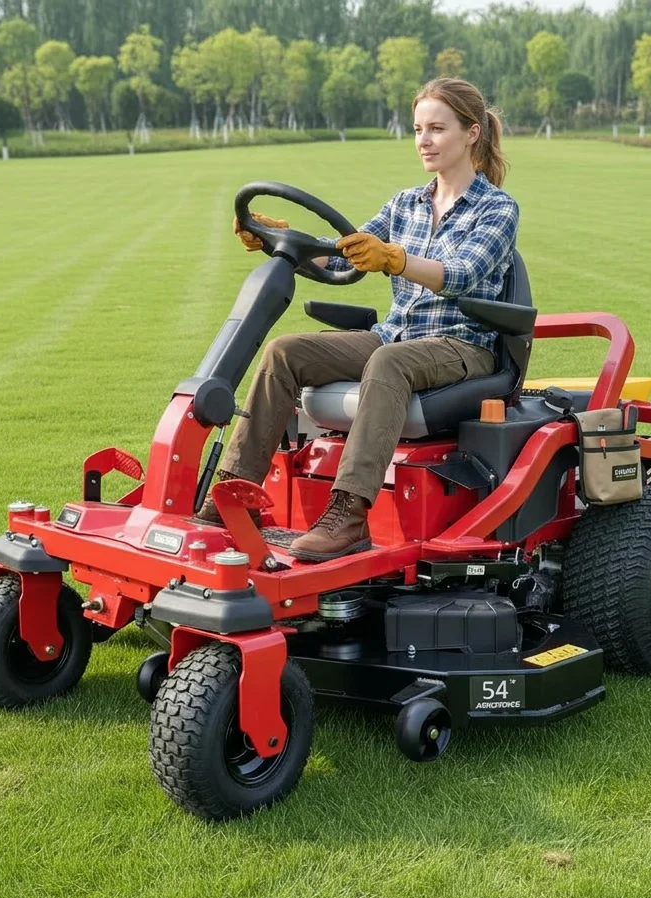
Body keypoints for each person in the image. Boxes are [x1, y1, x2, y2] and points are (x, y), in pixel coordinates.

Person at [195, 77, 520, 562]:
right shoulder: (404, 204)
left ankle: (348, 515)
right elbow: (341, 258)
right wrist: (274, 239)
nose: (424, 141)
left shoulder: (497, 208)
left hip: (463, 346)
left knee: (388, 362)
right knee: (286, 352)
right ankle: (233, 497)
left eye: (437, 129)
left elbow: (462, 273)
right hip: (398, 337)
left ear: (471, 134)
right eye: (418, 130)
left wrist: (395, 260)